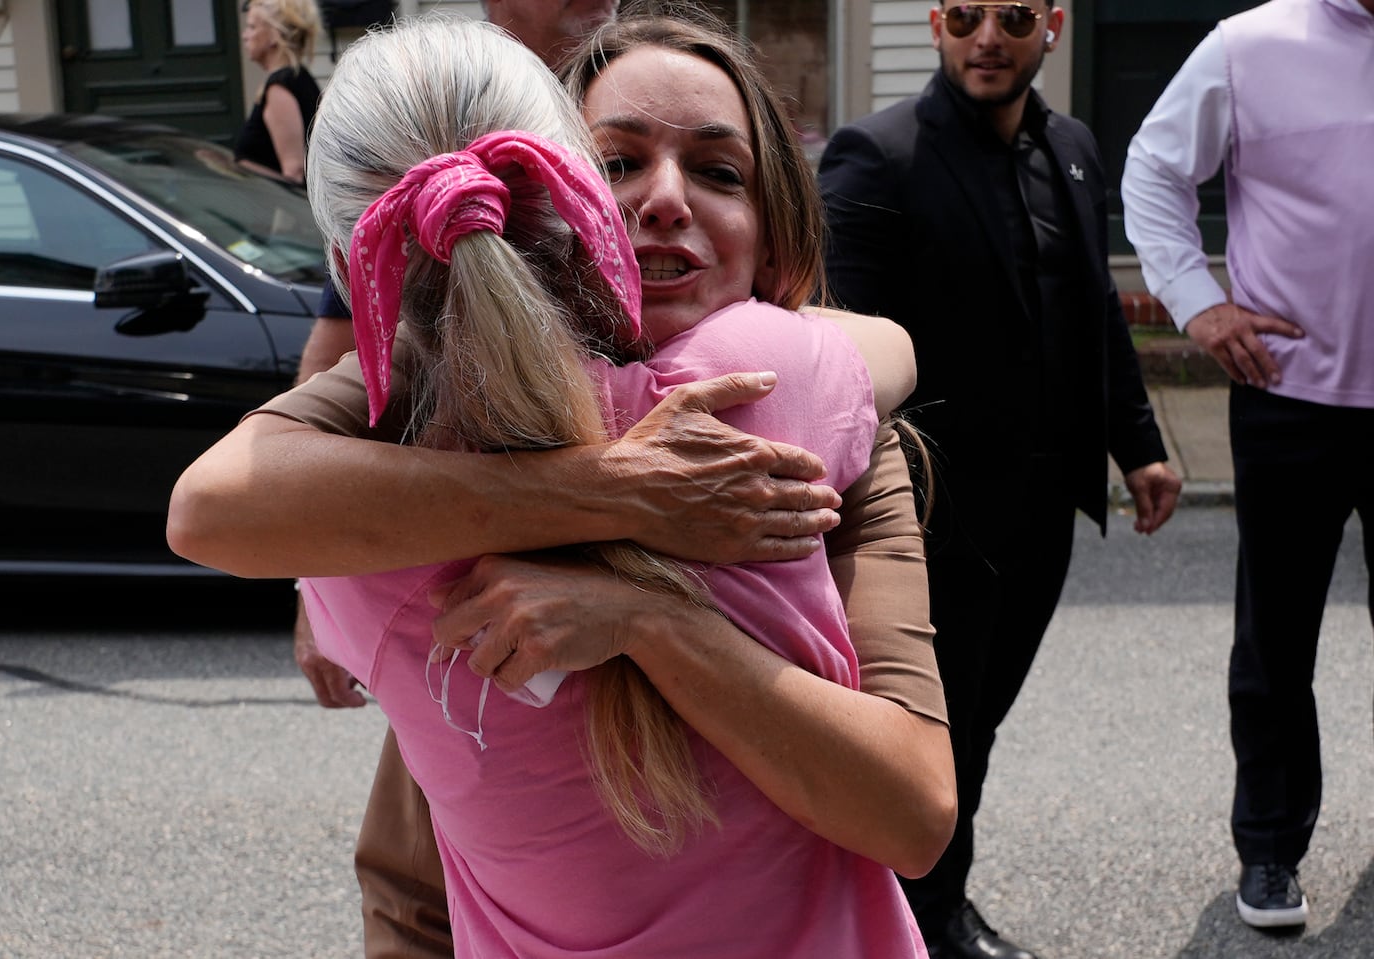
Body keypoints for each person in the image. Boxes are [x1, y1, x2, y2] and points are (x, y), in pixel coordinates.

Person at [170, 12, 955, 957]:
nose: (665, 199)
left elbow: (915, 807)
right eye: (616, 163)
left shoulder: (376, 511)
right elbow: (412, 882)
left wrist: (648, 616)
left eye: (720, 171)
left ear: (778, 241)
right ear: (533, 197)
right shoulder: (800, 384)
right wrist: (616, 487)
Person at [816, 3, 1183, 957]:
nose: (990, 37)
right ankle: (912, 926)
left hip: (1041, 512)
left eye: (1014, 16)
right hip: (932, 521)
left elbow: (1094, 304)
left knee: (974, 732)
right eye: (968, 15)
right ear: (937, 23)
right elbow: (842, 350)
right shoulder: (878, 154)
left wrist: (1137, 443)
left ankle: (927, 914)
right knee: (928, 738)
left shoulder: (1072, 148)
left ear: (1052, 26)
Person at [1121, 0, 1373, 932]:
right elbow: (1151, 169)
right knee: (1276, 644)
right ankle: (1269, 850)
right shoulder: (1253, 43)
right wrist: (1198, 303)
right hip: (1290, 390)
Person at [290, 0, 621, 706]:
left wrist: (314, 564)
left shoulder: (355, 558)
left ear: (353, 265)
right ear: (589, 205)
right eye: (622, 163)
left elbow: (209, 505)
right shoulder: (719, 398)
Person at [234, 0, 323, 184]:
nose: (245, 35)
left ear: (274, 36)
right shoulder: (297, 77)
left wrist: (236, 168)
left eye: (252, 27)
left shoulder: (280, 87)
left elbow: (294, 174)